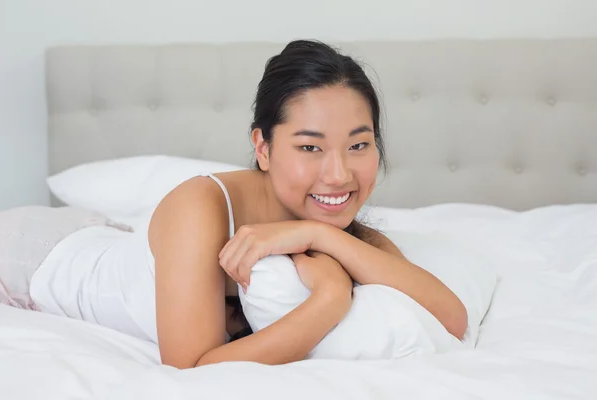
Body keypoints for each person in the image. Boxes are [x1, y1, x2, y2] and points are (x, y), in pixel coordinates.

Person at [23, 39, 467, 370]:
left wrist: (319, 235)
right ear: (264, 147)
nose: (338, 175)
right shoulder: (200, 206)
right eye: (310, 148)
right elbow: (191, 370)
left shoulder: (337, 222)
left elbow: (452, 318)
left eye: (358, 145)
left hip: (108, 243)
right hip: (33, 260)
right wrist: (330, 298)